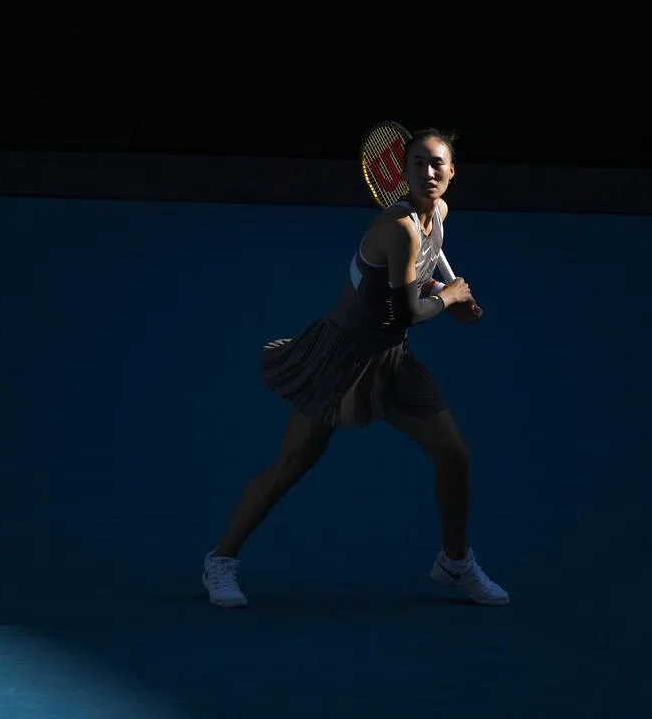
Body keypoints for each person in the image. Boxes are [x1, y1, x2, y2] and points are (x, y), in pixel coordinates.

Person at [202, 128, 509, 608]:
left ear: (452, 173)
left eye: (438, 164)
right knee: (293, 463)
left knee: (455, 456)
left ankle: (454, 562)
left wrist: (443, 296)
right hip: (339, 356)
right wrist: (447, 298)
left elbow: (411, 285)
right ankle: (220, 560)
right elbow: (401, 311)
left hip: (391, 357)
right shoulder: (398, 228)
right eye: (417, 164)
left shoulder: (439, 215)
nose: (428, 173)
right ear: (402, 172)